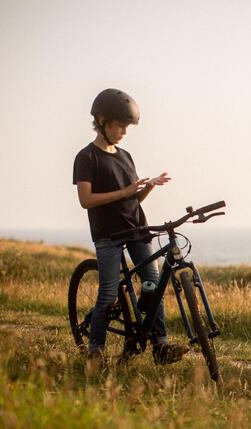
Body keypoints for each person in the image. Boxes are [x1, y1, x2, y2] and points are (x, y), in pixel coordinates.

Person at [73, 88, 189, 372]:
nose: (124, 131)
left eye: (127, 127)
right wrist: (124, 190)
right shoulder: (86, 157)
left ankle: (160, 345)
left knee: (155, 285)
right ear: (101, 120)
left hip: (136, 229)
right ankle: (95, 351)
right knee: (108, 294)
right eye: (119, 125)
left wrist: (146, 187)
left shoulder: (125, 155)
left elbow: (132, 199)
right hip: (108, 235)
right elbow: (86, 200)